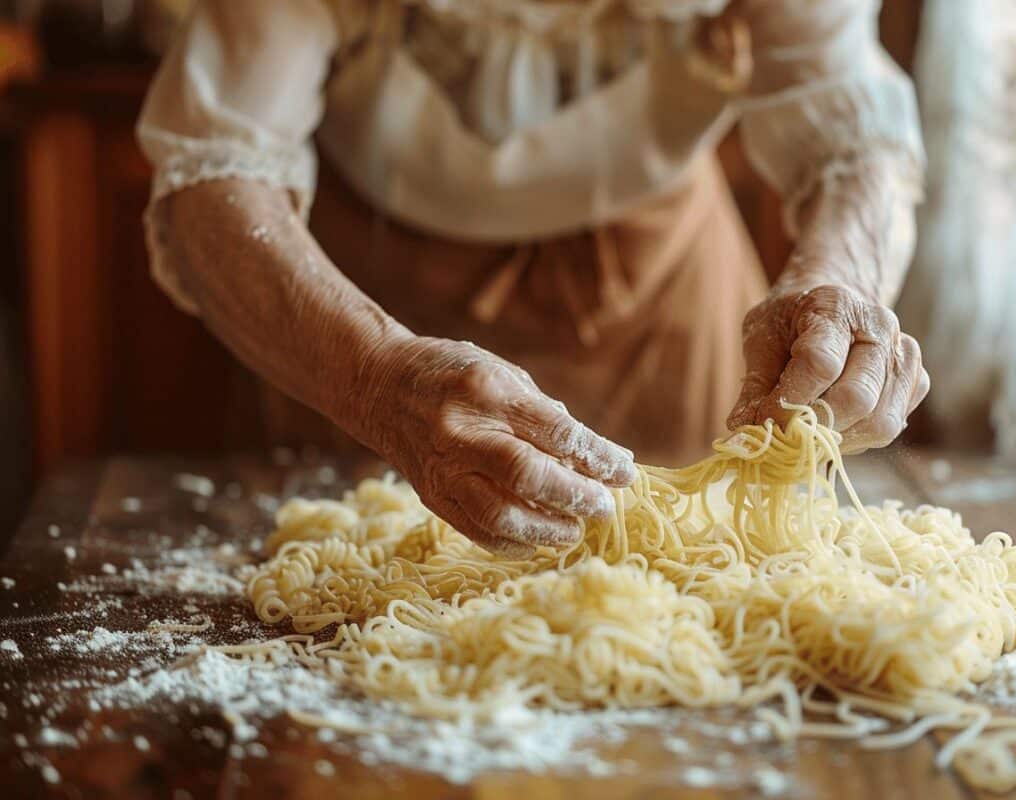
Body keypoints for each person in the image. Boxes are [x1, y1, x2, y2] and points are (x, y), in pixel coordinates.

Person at [138, 0, 928, 556]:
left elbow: (852, 135)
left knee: (700, 576)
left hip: (666, 293)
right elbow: (217, 170)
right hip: (369, 304)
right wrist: (375, 382)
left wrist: (840, 276)